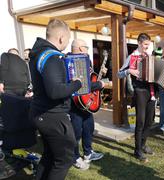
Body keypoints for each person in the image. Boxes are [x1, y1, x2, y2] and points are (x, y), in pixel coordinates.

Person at [28, 19, 82, 180]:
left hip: (42, 113)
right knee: (64, 160)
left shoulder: (39, 53)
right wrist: (77, 83)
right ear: (61, 37)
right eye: (67, 39)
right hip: (53, 116)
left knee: (50, 156)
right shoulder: (52, 57)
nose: (66, 43)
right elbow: (54, 91)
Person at [117, 33, 156, 162]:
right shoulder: (132, 57)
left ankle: (143, 145)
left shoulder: (150, 57)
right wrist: (129, 71)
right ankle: (137, 150)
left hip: (151, 92)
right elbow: (118, 74)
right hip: (139, 91)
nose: (147, 47)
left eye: (148, 45)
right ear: (139, 43)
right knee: (140, 121)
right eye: (145, 44)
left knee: (149, 121)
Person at [69, 39, 104, 170]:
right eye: (86, 47)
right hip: (74, 104)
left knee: (89, 127)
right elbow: (81, 86)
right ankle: (75, 157)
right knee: (76, 132)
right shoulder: (69, 62)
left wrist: (97, 78)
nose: (88, 50)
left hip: (86, 102)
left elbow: (88, 79)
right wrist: (99, 85)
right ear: (79, 48)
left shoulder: (86, 60)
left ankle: (88, 153)